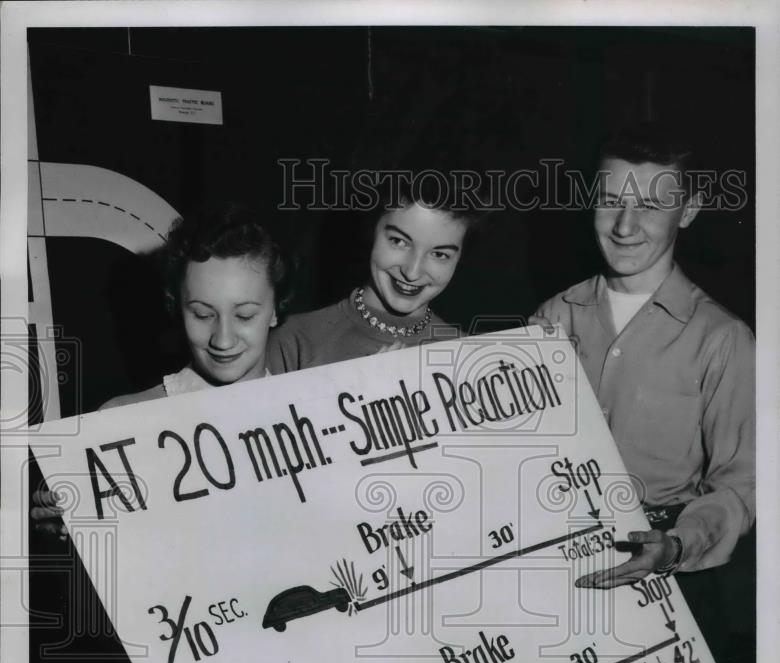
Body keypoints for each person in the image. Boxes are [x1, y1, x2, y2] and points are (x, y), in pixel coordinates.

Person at [531, 123, 755, 588]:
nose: (625, 225)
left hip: (666, 572)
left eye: (650, 206)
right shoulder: (552, 316)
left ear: (688, 211)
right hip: (552, 554)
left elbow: (744, 483)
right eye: (611, 200)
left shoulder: (723, 338)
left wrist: (677, 543)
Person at [32, 202, 291, 535]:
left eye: (244, 316)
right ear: (177, 309)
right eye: (202, 314)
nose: (223, 340)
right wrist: (67, 531)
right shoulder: (118, 423)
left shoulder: (318, 422)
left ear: (274, 311)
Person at [266, 174, 481, 372]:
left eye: (439, 254)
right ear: (371, 232)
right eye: (399, 242)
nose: (412, 272)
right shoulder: (293, 342)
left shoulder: (472, 358)